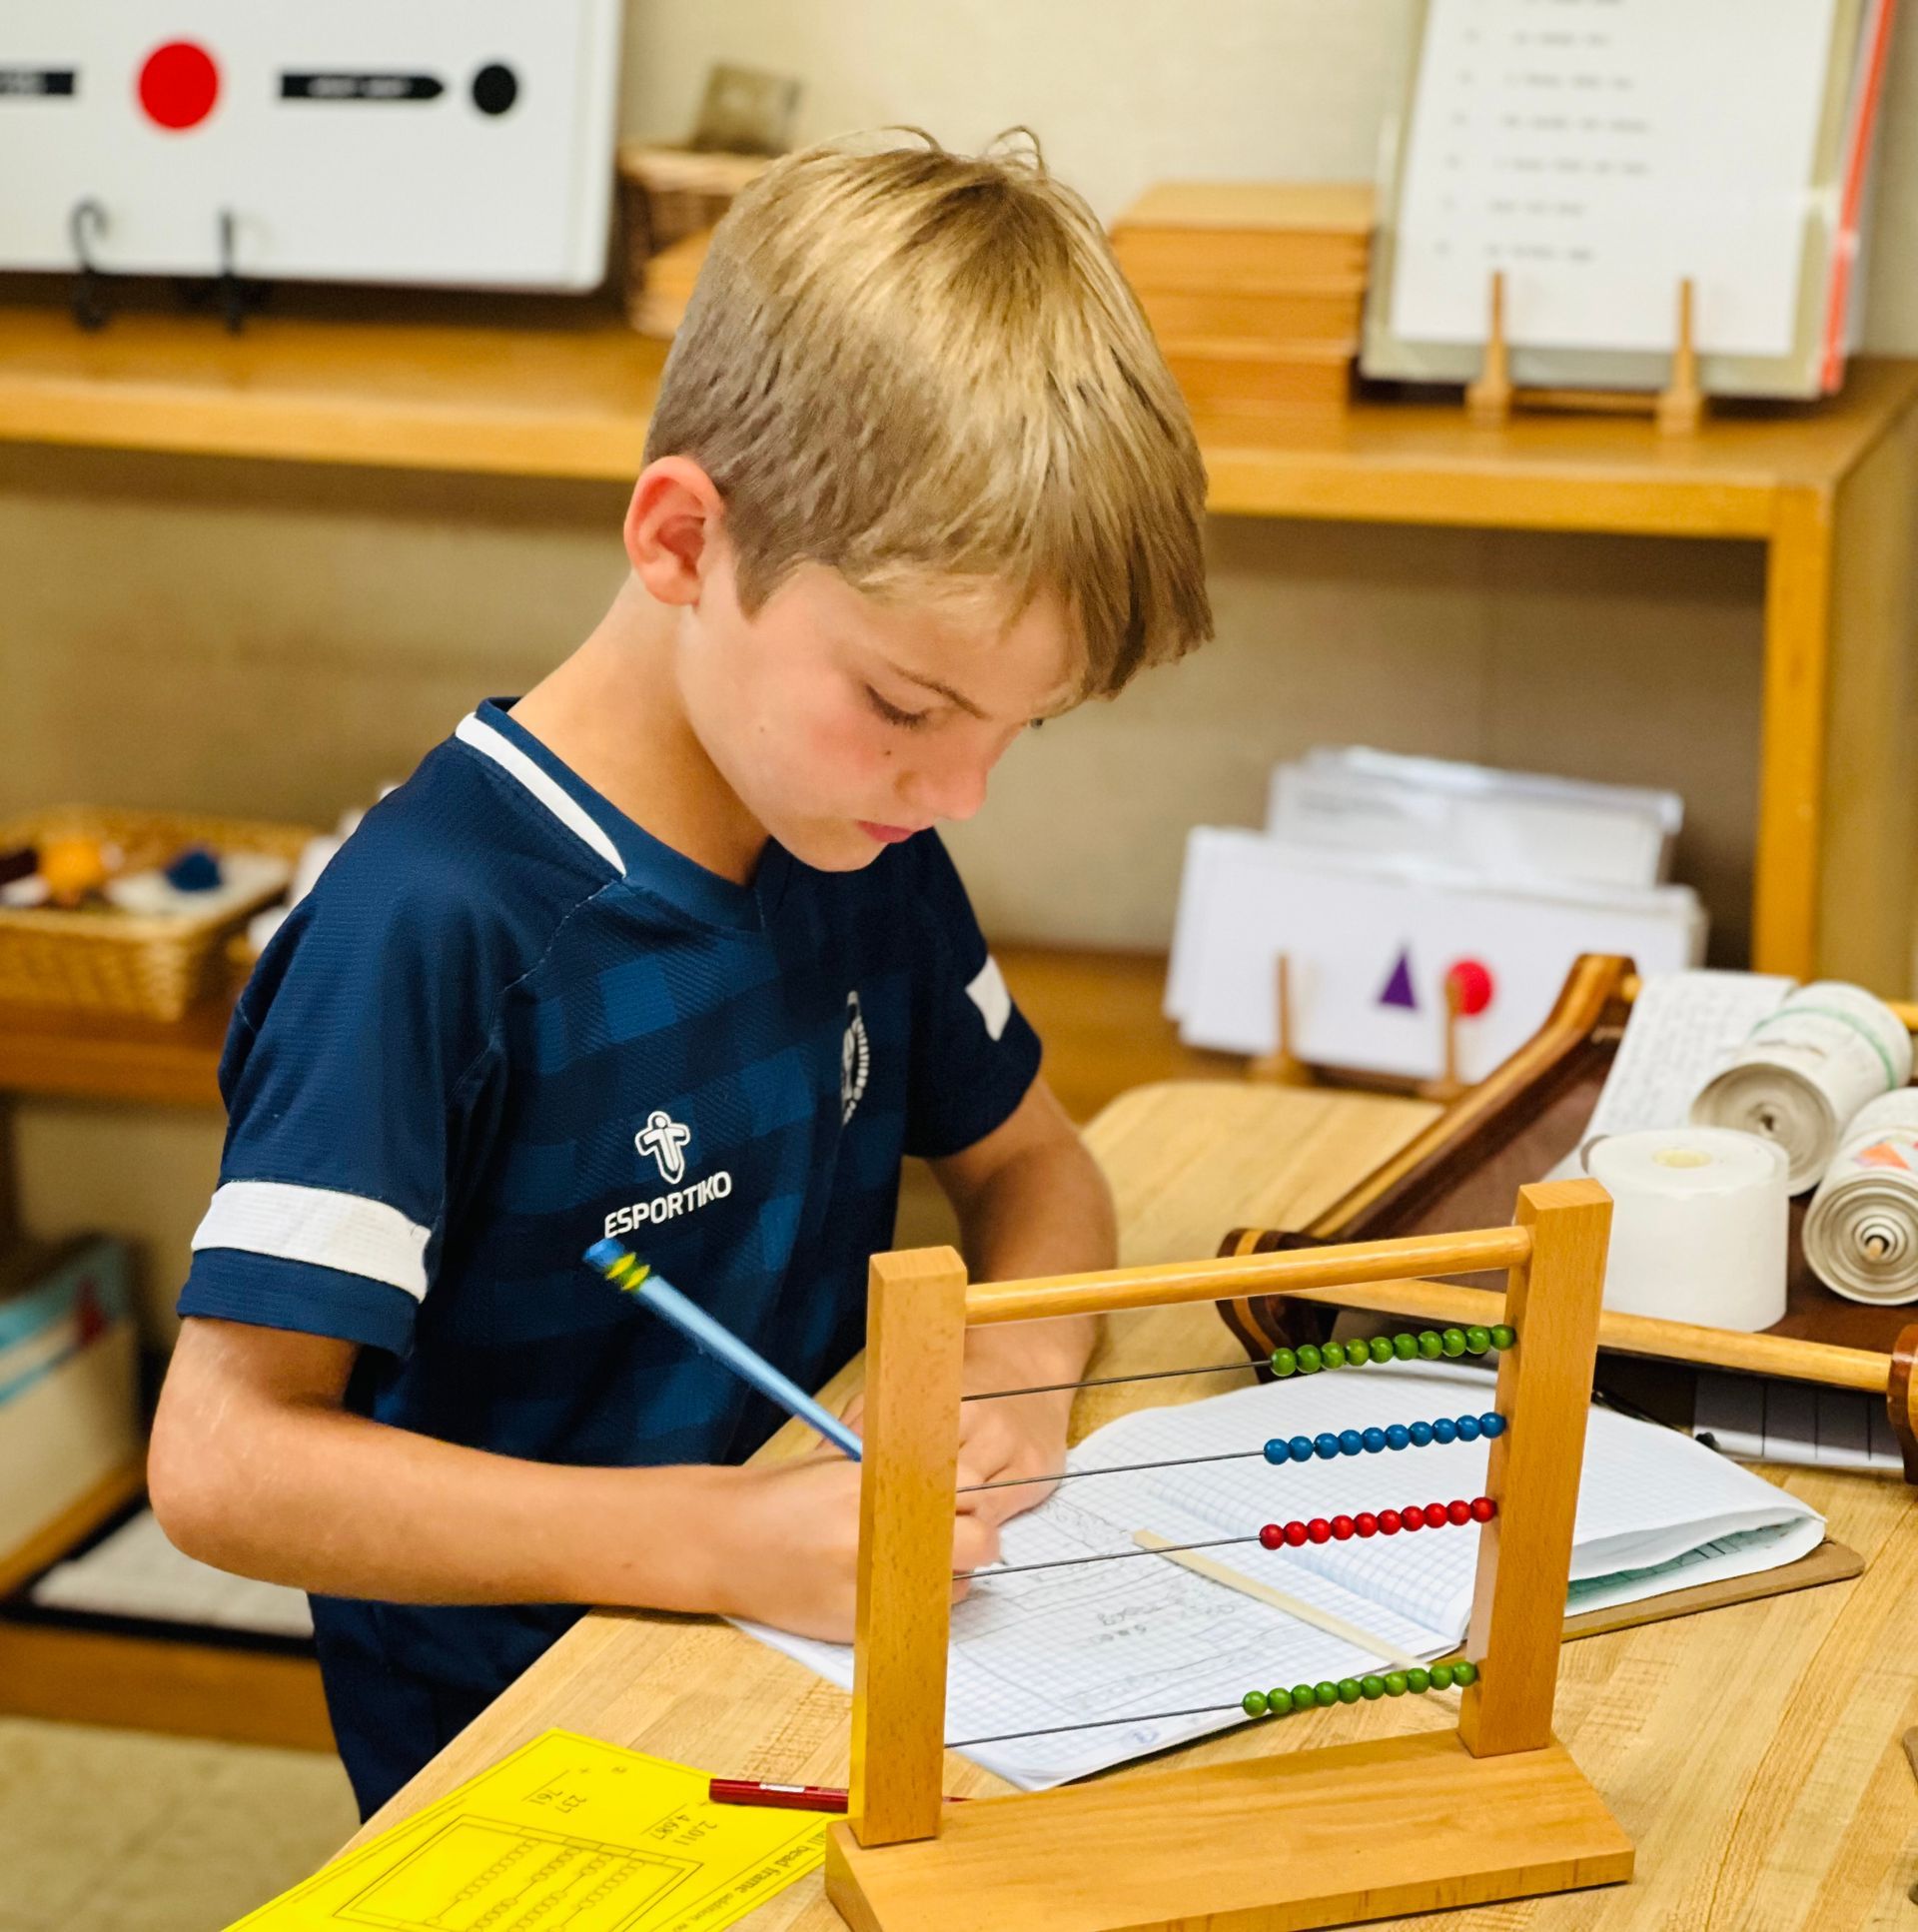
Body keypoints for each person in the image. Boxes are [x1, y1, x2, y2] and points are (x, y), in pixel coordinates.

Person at [149, 131, 1212, 1818]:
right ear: (679, 539)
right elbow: (219, 1458)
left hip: (808, 1678)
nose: (959, 794)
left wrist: (1015, 1377)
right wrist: (716, 1538)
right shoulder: (432, 927)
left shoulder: (858, 837)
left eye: (1017, 732)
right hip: (536, 1763)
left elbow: (1035, 1163)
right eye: (914, 710)